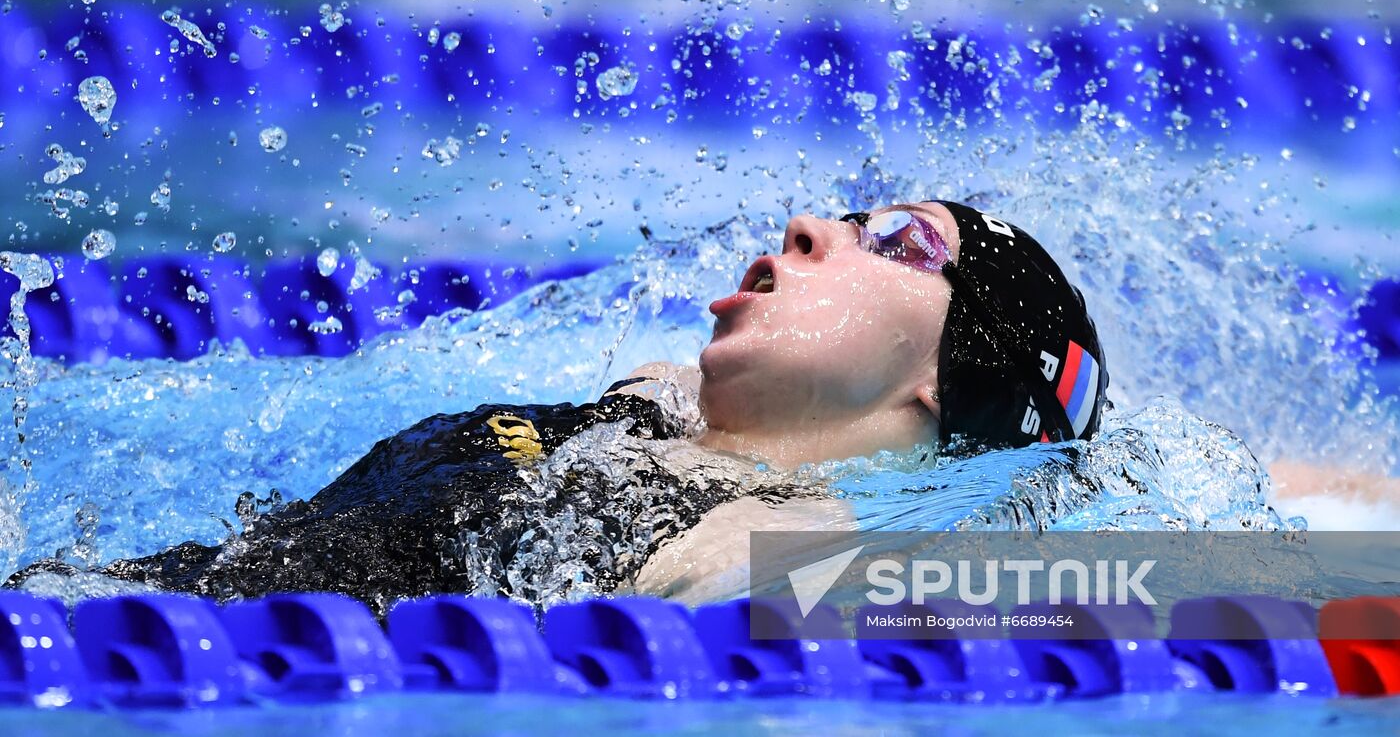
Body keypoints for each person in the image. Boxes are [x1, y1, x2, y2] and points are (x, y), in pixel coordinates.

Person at [4, 201, 1110, 614]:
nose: (812, 223)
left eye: (900, 243)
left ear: (945, 380)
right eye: (851, 211)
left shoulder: (779, 538)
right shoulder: (657, 410)